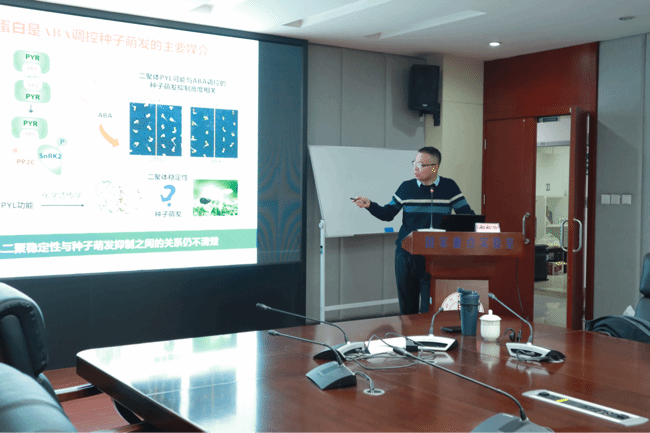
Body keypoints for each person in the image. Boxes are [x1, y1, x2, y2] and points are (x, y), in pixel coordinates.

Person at [352, 146, 474, 315]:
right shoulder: (406, 188)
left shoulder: (449, 187)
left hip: (435, 257)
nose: (415, 168)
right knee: (407, 311)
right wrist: (370, 205)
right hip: (406, 255)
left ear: (435, 167)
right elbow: (388, 214)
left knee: (430, 310)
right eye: (414, 163)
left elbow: (467, 217)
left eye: (421, 165)